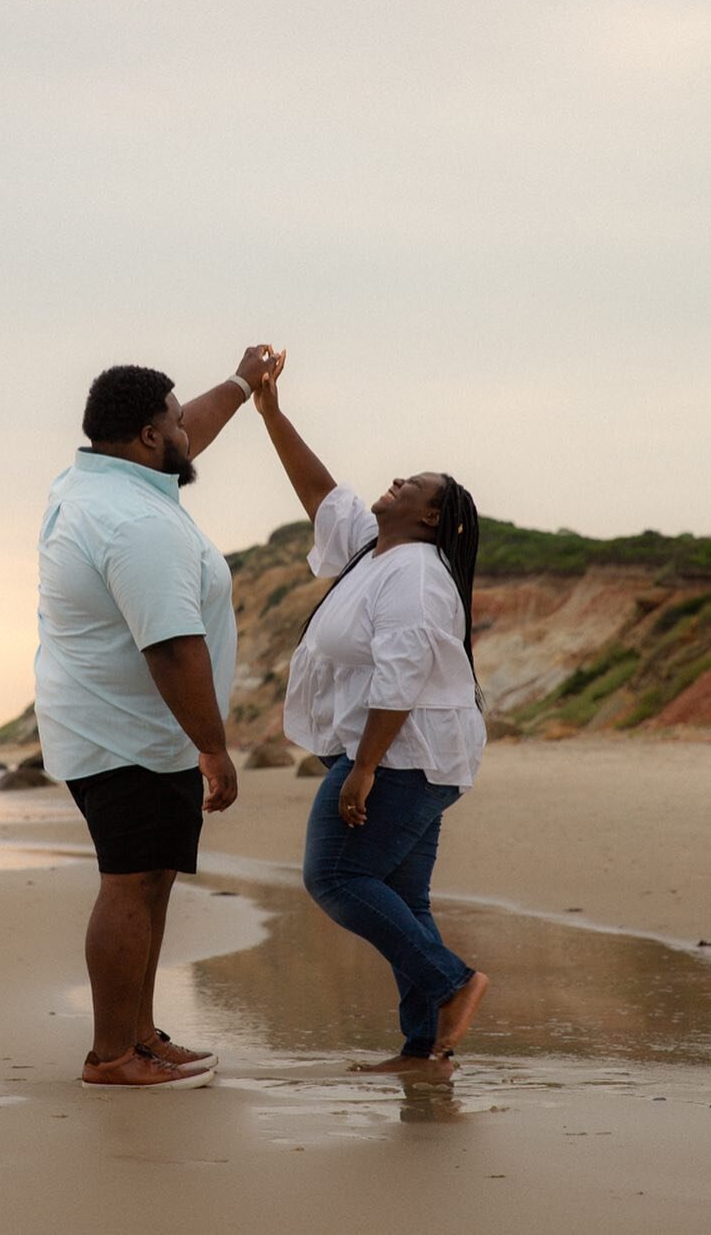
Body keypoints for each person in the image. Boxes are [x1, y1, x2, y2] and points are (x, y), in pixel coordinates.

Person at [35, 348, 274, 1089]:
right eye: (172, 421)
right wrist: (215, 748)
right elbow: (172, 649)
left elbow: (191, 429)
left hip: (118, 727)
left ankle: (137, 1034)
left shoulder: (98, 480)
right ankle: (110, 1056)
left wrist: (241, 384)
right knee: (130, 883)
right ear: (145, 437)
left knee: (153, 878)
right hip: (125, 733)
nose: (185, 431)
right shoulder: (134, 522)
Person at [254, 351, 488, 1076]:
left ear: (431, 515)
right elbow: (321, 491)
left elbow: (401, 675)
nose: (396, 481)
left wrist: (361, 769)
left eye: (414, 484)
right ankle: (424, 1048)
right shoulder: (371, 551)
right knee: (400, 897)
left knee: (336, 879)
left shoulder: (415, 573)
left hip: (400, 756)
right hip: (409, 755)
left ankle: (453, 984)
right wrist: (268, 409)